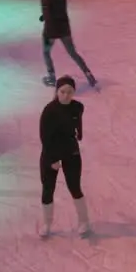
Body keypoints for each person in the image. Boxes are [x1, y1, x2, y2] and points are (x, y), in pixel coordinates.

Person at [38, 76, 89, 238]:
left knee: (75, 187)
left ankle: (84, 221)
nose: (66, 95)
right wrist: (53, 160)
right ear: (57, 92)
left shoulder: (78, 107)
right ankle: (47, 223)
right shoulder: (49, 111)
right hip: (50, 154)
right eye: (63, 92)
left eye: (70, 92)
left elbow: (77, 119)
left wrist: (79, 133)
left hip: (71, 153)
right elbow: (44, 137)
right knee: (48, 189)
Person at [39, 0, 95, 89]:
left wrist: (47, 33)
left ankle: (51, 77)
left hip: (52, 30)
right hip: (64, 27)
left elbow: (49, 16)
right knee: (73, 53)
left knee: (46, 52)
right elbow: (57, 9)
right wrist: (44, 15)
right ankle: (88, 74)